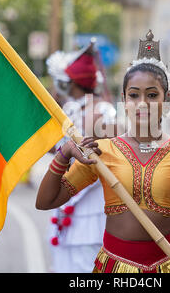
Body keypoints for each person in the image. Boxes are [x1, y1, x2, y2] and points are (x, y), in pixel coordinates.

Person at [36, 31, 170, 273]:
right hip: (116, 269)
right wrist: (64, 154)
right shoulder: (102, 152)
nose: (142, 103)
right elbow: (45, 201)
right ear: (123, 99)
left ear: (166, 99)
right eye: (134, 95)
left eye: (152, 95)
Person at [42, 42, 117, 273]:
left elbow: (112, 153)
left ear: (66, 83)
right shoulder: (68, 111)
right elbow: (55, 152)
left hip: (92, 202)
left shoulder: (102, 111)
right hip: (67, 201)